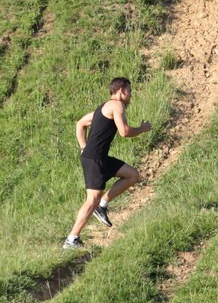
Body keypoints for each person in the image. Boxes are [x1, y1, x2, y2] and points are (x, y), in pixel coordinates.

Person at [63, 77, 152, 249]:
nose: (131, 95)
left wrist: (83, 147)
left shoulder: (103, 108)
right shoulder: (117, 105)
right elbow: (124, 132)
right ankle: (72, 239)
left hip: (99, 157)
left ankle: (102, 205)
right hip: (95, 159)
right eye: (130, 91)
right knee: (92, 200)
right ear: (122, 91)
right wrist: (142, 129)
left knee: (132, 175)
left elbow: (80, 123)